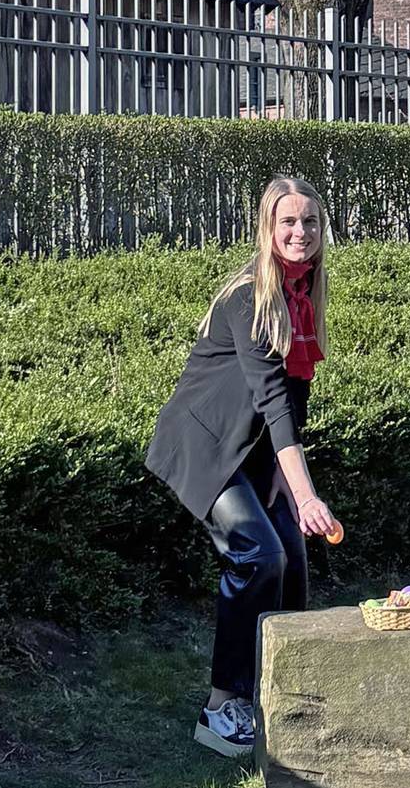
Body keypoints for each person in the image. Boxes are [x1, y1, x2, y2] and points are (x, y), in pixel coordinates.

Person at [146, 175, 341, 759]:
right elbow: (271, 400)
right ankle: (220, 707)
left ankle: (281, 691)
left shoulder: (304, 293)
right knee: (258, 553)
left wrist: (287, 479)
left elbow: (294, 392)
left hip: (252, 449)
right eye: (288, 222)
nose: (299, 231)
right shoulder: (248, 297)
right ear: (268, 228)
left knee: (293, 556)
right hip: (203, 446)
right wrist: (307, 497)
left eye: (309, 221)